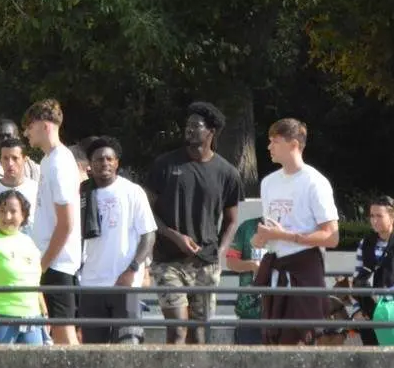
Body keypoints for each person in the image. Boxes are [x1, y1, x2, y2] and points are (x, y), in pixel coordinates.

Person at [146, 102, 243, 344]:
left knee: (199, 334)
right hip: (168, 261)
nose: (189, 130)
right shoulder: (165, 164)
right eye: (187, 126)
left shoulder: (227, 173)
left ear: (211, 131)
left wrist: (219, 253)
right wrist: (172, 235)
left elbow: (231, 221)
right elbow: (147, 212)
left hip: (205, 263)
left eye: (195, 126)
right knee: (177, 329)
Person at [252, 118, 340, 345]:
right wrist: (261, 237)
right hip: (275, 266)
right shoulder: (269, 182)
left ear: (293, 144)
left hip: (304, 269)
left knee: (301, 339)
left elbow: (332, 236)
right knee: (272, 338)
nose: (269, 147)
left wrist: (287, 236)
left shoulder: (315, 182)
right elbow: (271, 226)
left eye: (275, 141)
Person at [77, 137, 156, 344]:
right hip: (91, 284)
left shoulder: (132, 191)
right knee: (93, 353)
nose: (104, 163)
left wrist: (133, 269)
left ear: (117, 163)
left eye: (109, 159)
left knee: (129, 346)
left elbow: (148, 235)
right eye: (98, 159)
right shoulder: (82, 194)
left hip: (124, 282)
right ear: (90, 165)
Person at [23, 99, 82, 345]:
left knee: (64, 330)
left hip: (58, 262)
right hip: (50, 259)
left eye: (29, 126)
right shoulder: (49, 160)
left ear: (45, 126)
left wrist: (44, 264)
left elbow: (66, 223)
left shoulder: (59, 163)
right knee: (57, 330)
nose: (26, 133)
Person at [0, 190, 48, 344]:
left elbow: (34, 280)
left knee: (34, 365)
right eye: (2, 211)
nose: (7, 217)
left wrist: (43, 311)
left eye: (13, 212)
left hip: (32, 316)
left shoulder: (28, 242)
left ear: (23, 215)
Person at [351, 196, 394, 346]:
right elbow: (356, 279)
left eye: (379, 216)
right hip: (368, 315)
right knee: (371, 361)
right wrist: (356, 311)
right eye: (372, 216)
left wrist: (385, 295)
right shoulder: (365, 243)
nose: (374, 220)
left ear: (392, 217)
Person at [224, 217, 264, 345]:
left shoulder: (291, 227)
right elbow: (231, 262)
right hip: (249, 313)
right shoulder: (247, 227)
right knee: (247, 362)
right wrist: (252, 265)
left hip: (283, 314)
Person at [0, 118, 41, 184]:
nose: (4, 140)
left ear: (18, 138)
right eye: (0, 137)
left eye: (8, 136)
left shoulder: (38, 170)